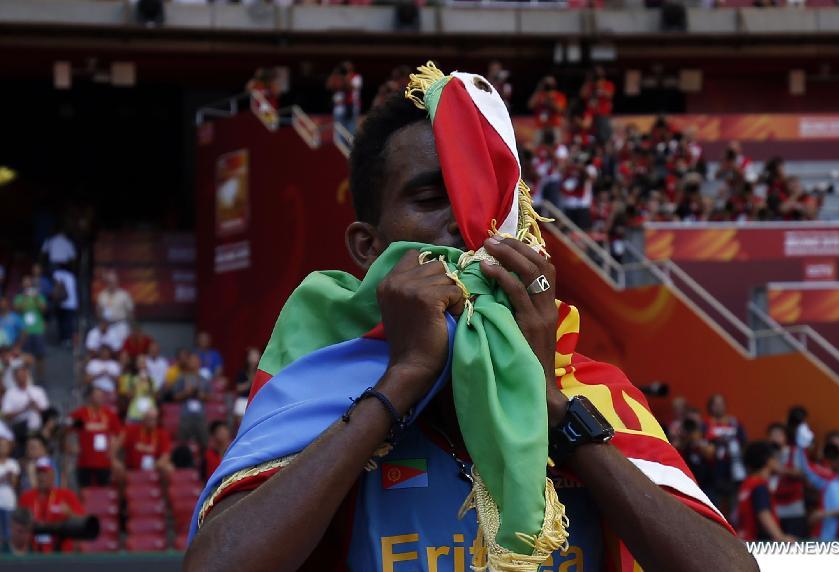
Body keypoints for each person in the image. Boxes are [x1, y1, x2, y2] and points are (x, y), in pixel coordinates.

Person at [186, 77, 752, 572]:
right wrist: (402, 378)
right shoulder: (313, 390)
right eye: (432, 198)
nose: (467, 224)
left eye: (491, 202)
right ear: (368, 246)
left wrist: (548, 401)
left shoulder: (595, 393)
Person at [18, 457, 85, 553]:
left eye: (45, 473)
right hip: (33, 550)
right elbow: (18, 526)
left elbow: (82, 523)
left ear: (53, 475)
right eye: (39, 473)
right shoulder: (26, 497)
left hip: (61, 551)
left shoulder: (66, 495)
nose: (41, 477)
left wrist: (69, 513)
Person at [736, 441, 795, 542]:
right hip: (757, 545)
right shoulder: (759, 486)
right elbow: (763, 514)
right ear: (769, 461)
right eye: (775, 458)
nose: (777, 461)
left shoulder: (746, 484)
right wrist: (780, 537)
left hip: (744, 540)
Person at [68, 386, 122, 487]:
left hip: (104, 462)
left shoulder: (109, 414)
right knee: (85, 493)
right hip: (85, 462)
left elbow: (120, 434)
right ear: (90, 397)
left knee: (103, 493)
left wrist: (113, 451)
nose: (100, 398)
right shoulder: (81, 414)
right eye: (97, 395)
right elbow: (66, 430)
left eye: (101, 396)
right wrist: (70, 447)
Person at [703, 393, 746, 518]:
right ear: (710, 407)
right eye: (715, 404)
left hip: (734, 473)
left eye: (721, 404)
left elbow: (743, 443)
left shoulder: (734, 423)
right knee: (716, 511)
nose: (719, 407)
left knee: (735, 512)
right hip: (713, 474)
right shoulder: (705, 424)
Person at [1, 365, 49, 442]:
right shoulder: (10, 394)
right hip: (20, 427)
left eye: (23, 375)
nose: (21, 378)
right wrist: (24, 409)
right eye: (19, 376)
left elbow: (47, 411)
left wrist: (35, 406)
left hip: (38, 426)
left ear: (27, 375)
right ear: (14, 378)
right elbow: (6, 415)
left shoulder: (38, 391)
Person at [173, 354, 211, 449]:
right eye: (191, 361)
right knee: (182, 444)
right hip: (186, 415)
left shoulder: (203, 379)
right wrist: (186, 393)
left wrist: (202, 395)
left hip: (200, 415)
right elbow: (175, 396)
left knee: (204, 443)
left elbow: (210, 397)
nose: (193, 363)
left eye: (195, 361)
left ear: (199, 363)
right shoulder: (182, 378)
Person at [122, 407, 173, 476]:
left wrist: (155, 466)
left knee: (169, 468)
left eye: (154, 419)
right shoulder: (132, 431)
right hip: (132, 469)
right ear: (143, 419)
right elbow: (119, 445)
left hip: (155, 469)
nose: (151, 421)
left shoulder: (162, 434)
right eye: (149, 419)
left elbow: (165, 455)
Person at [12, 277, 47, 377]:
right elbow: (17, 310)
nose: (27, 286)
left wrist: (35, 297)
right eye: (25, 284)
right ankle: (26, 377)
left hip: (38, 329)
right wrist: (24, 297)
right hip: (24, 331)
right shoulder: (19, 297)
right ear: (22, 285)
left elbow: (44, 309)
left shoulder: (39, 296)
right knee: (24, 355)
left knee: (40, 355)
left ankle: (40, 378)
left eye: (29, 284)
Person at [95, 270, 133, 344]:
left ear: (117, 282)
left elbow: (130, 313)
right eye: (109, 282)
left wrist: (130, 327)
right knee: (106, 349)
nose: (111, 284)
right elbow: (98, 312)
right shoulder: (102, 295)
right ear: (106, 283)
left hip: (120, 325)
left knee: (121, 347)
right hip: (106, 326)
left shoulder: (124, 295)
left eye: (113, 282)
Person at [327, 61, 363, 138]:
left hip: (351, 106)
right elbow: (330, 86)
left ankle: (349, 148)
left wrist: (346, 78)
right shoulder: (337, 77)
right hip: (339, 107)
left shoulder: (356, 77)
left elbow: (352, 88)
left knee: (350, 130)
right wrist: (334, 74)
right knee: (339, 131)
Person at [528, 75, 567, 146]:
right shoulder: (539, 95)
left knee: (556, 147)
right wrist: (538, 89)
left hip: (554, 125)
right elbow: (530, 105)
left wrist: (549, 100)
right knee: (536, 147)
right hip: (540, 126)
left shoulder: (559, 96)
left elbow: (559, 109)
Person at [50, 263, 78, 347]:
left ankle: (65, 339)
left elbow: (56, 285)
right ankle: (66, 339)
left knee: (63, 322)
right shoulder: (72, 276)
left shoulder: (57, 273)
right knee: (67, 322)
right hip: (71, 303)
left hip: (63, 302)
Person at [0, 437, 19, 547]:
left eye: (4, 445)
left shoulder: (13, 463)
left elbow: (14, 484)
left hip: (9, 504)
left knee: (9, 533)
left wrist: (11, 478)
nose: (2, 448)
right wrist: (3, 478)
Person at [233, 347, 260, 420]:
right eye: (252, 356)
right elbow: (238, 388)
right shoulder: (242, 372)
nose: (253, 359)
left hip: (256, 400)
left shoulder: (260, 373)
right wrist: (249, 383)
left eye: (256, 356)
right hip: (243, 400)